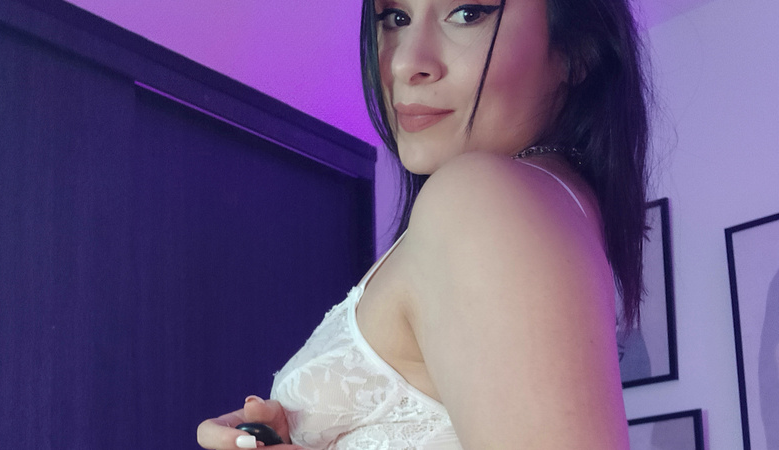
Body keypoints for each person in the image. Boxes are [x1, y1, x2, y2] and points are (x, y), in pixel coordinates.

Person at [198, 0, 650, 447]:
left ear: (577, 49)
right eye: (396, 18)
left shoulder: (480, 201)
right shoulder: (535, 203)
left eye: (468, 13)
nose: (404, 63)